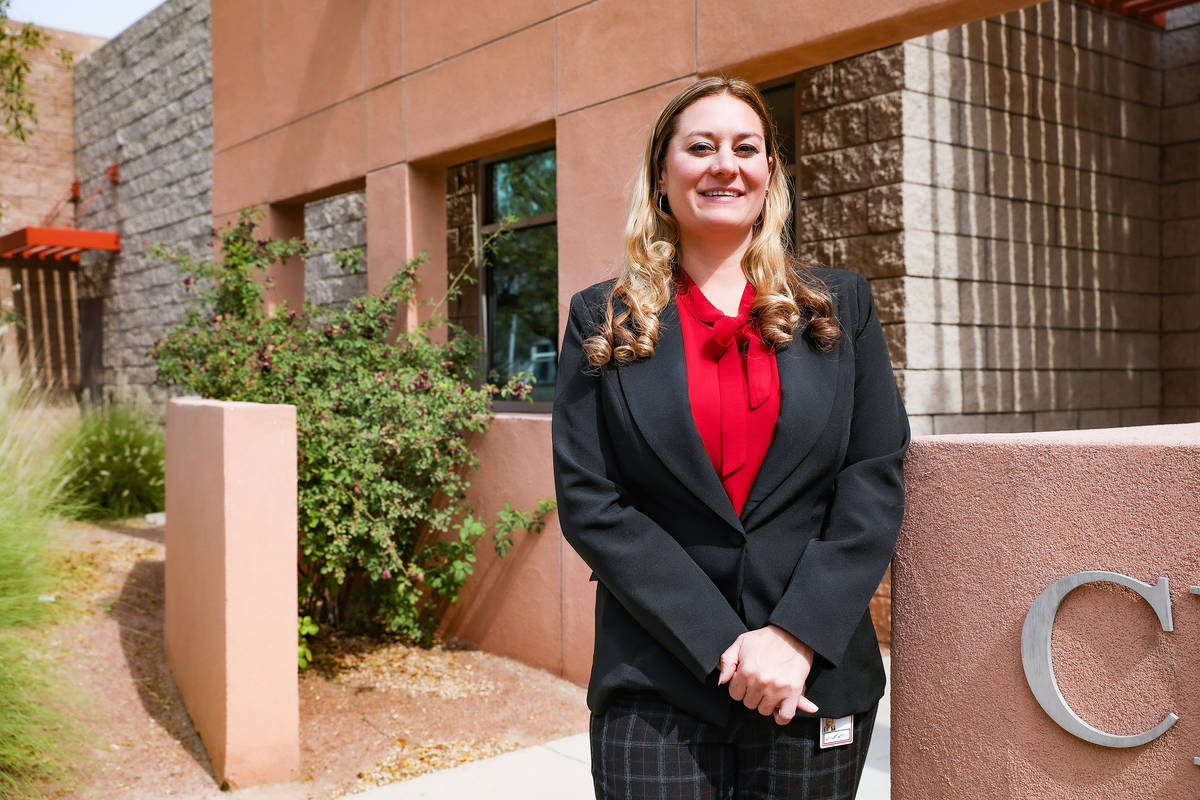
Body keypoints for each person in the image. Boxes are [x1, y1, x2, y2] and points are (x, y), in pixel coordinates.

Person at [551, 76, 909, 799]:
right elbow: (592, 500)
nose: (725, 164)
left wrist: (794, 635)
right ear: (662, 173)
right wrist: (725, 644)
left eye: (746, 147)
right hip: (658, 675)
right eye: (701, 147)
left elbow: (873, 474)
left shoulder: (840, 308)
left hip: (810, 675)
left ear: (769, 172)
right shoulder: (604, 319)